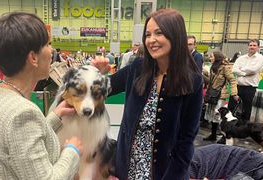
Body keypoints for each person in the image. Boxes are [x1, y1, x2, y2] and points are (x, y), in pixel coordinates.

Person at [92, 8, 203, 180]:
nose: (151, 40)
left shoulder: (192, 81)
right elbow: (103, 89)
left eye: (159, 33)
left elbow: (186, 139)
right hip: (127, 168)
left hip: (165, 172)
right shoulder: (137, 68)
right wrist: (97, 74)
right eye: (147, 34)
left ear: (176, 35)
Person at [0, 12, 83, 180]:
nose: (51, 51)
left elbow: (17, 145)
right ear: (33, 57)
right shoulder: (23, 113)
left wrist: (55, 117)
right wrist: (72, 150)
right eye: (48, 44)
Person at [202, 51, 239, 141]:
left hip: (220, 95)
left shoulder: (225, 68)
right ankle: (213, 135)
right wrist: (201, 75)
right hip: (212, 95)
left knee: (219, 116)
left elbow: (232, 80)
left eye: (212, 56)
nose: (210, 58)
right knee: (213, 116)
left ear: (217, 57)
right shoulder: (213, 68)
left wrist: (234, 93)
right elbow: (210, 82)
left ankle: (224, 137)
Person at [228, 39, 263, 121]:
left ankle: (244, 132)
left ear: (258, 47)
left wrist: (241, 70)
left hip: (250, 88)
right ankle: (231, 130)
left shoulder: (260, 58)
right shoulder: (241, 58)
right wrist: (245, 72)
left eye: (254, 45)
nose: (252, 47)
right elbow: (234, 70)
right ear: (248, 46)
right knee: (231, 108)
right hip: (238, 87)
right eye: (250, 45)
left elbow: (254, 70)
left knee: (246, 111)